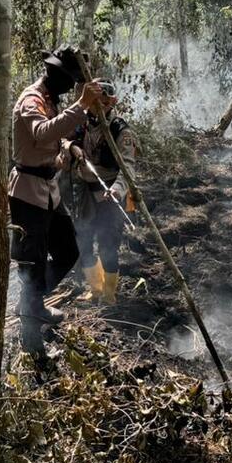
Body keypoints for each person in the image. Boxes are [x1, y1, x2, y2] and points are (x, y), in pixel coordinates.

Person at [9, 44, 109, 358]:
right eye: (70, 81)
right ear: (55, 74)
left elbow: (56, 135)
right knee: (33, 264)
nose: (72, 87)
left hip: (49, 192)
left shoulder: (51, 100)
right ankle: (31, 339)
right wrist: (81, 106)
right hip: (27, 194)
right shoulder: (32, 99)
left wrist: (69, 146)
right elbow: (40, 132)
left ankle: (33, 302)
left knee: (69, 250)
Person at [72, 81, 138, 305]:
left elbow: (128, 166)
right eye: (95, 100)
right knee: (84, 241)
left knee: (108, 245)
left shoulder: (121, 130)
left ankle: (109, 295)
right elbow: (64, 139)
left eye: (105, 101)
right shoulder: (81, 122)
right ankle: (96, 289)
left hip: (110, 194)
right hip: (84, 193)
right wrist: (72, 148)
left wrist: (117, 190)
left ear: (113, 102)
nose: (100, 105)